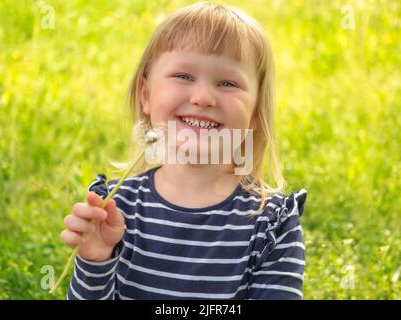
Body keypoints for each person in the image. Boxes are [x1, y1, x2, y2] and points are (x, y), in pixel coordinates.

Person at [61, 1, 307, 300]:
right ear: (146, 94)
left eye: (228, 83)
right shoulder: (114, 209)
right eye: (184, 76)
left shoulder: (271, 223)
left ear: (255, 113)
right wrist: (95, 260)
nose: (203, 97)